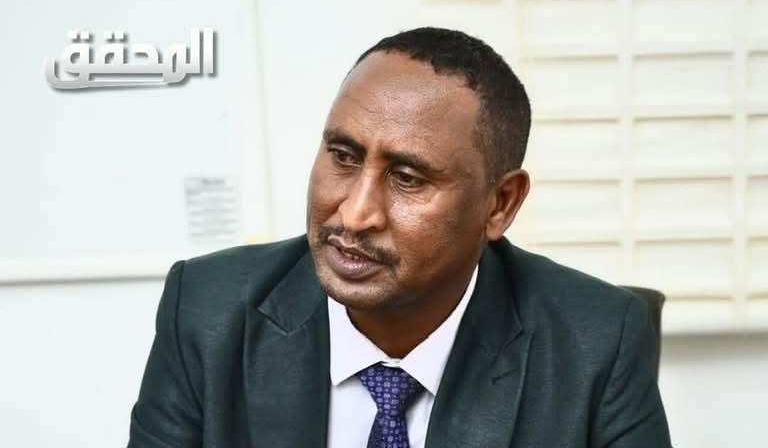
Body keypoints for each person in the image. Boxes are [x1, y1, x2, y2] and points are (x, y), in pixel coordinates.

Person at [127, 27, 672, 448]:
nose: (355, 213)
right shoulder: (207, 312)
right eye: (343, 156)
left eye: (408, 178)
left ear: (500, 204)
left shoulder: (599, 342)